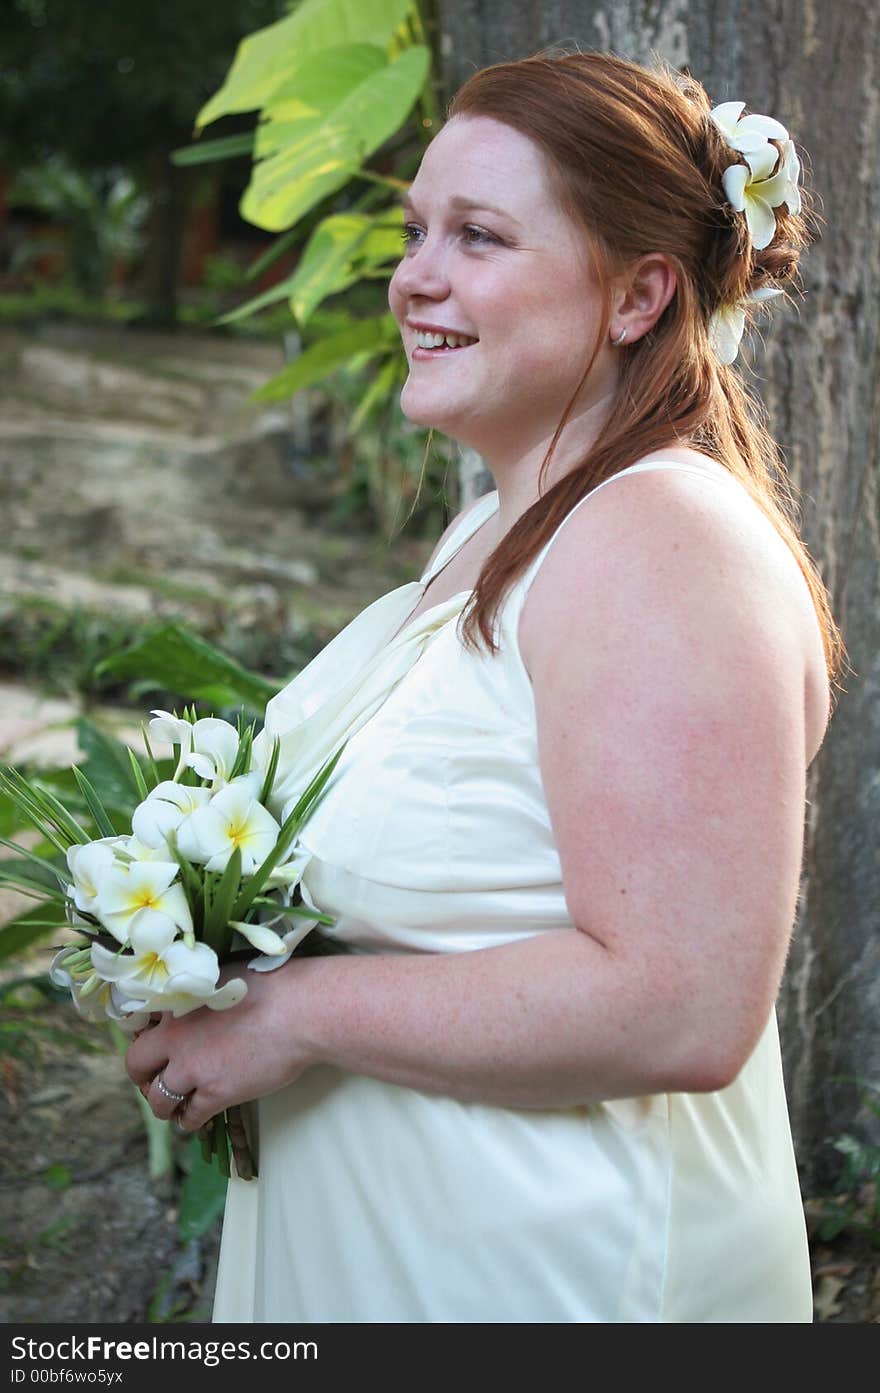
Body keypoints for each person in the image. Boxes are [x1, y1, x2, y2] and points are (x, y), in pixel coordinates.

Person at [126, 50, 842, 1323]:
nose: (415, 277)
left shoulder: (663, 544)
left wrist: (297, 1017)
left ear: (638, 296)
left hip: (563, 1281)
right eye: (415, 230)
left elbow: (677, 1004)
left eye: (479, 236)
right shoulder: (497, 533)